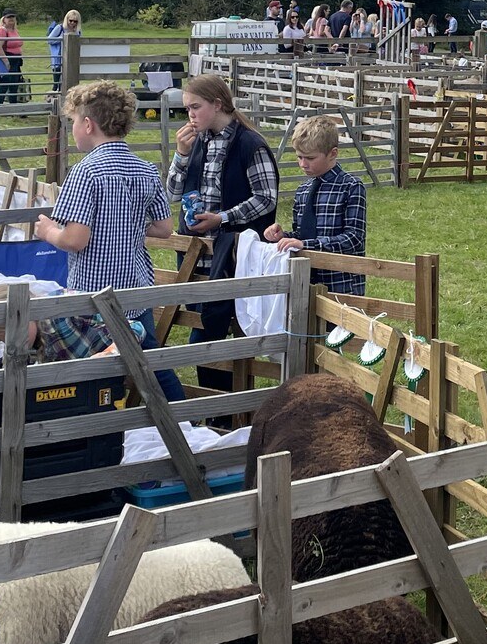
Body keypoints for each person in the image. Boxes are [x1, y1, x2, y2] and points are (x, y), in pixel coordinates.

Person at [34, 81, 183, 407]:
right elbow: (163, 227)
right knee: (150, 362)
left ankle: (99, 428)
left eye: (73, 121)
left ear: (88, 124)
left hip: (93, 296)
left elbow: (75, 239)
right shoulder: (145, 169)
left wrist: (47, 232)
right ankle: (184, 421)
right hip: (136, 288)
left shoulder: (85, 171)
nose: (72, 129)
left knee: (93, 370)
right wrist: (124, 221)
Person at [168, 73, 279, 390]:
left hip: (233, 254)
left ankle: (224, 408)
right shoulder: (196, 142)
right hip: (196, 252)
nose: (190, 114)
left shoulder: (250, 144)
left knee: (217, 325)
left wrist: (222, 219)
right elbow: (174, 192)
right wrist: (181, 154)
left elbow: (266, 198)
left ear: (218, 104)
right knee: (202, 319)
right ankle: (218, 408)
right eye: (187, 108)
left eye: (195, 107)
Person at [261, 114, 368, 299]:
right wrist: (283, 237)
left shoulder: (351, 187)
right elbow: (301, 233)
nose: (303, 164)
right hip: (303, 284)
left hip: (340, 285)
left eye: (310, 158)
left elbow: (353, 239)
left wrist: (307, 245)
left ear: (333, 153)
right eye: (299, 157)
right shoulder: (303, 190)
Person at [0, 278, 150, 363]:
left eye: (9, 335)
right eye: (2, 341)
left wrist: (108, 354)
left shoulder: (65, 306)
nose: (9, 343)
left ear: (27, 314)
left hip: (101, 378)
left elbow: (135, 328)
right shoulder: (24, 349)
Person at [0, 12, 25, 104]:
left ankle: (13, 107)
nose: (11, 19)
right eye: (8, 17)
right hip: (7, 58)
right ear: (3, 19)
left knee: (14, 84)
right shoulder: (2, 30)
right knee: (4, 84)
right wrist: (6, 61)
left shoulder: (14, 30)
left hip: (16, 60)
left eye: (13, 17)